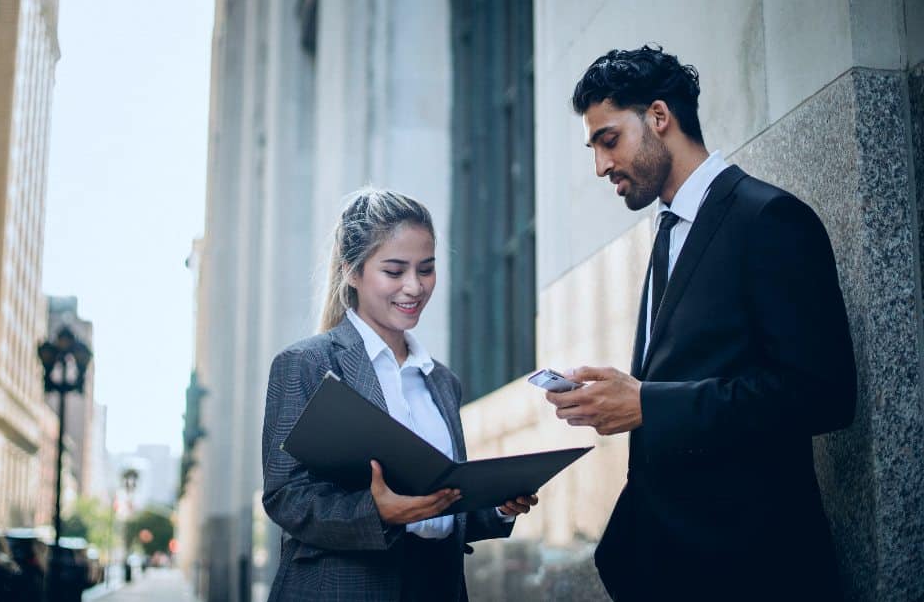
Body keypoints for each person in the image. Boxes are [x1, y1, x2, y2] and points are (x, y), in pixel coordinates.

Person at [545, 45, 857, 601]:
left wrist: (649, 403)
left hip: (754, 570)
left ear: (659, 117)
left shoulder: (768, 220)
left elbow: (822, 394)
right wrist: (625, 395)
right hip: (670, 567)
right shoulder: (667, 232)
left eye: (608, 140)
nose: (600, 167)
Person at [262, 188, 538, 601]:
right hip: (343, 589)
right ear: (352, 272)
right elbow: (286, 496)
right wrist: (376, 513)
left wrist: (496, 505)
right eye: (394, 271)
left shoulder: (441, 381)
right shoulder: (306, 364)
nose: (414, 287)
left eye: (426, 269)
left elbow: (441, 506)